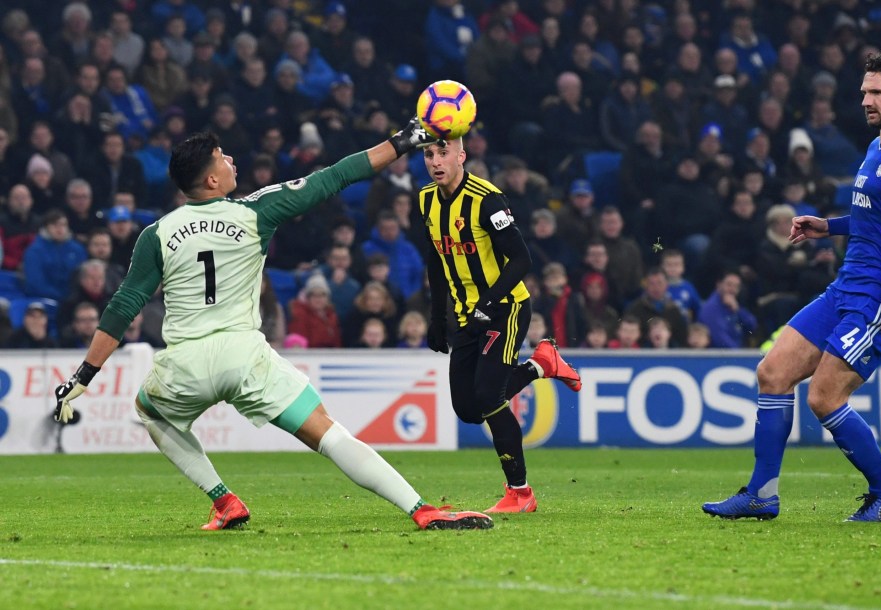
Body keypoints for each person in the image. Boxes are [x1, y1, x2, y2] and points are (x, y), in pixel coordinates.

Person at [53, 121, 495, 532]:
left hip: (185, 364)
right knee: (327, 431)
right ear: (211, 180)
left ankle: (223, 499)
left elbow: (124, 305)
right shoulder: (255, 212)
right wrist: (401, 142)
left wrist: (84, 375)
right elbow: (336, 176)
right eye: (223, 158)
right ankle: (422, 509)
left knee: (150, 411)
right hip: (246, 358)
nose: (231, 162)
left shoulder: (157, 233)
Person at [703, 51, 881, 522]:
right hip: (845, 288)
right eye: (863, 92)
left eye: (876, 92)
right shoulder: (878, 146)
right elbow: (873, 217)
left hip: (878, 301)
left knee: (824, 396)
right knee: (772, 372)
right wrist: (829, 227)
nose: (865, 100)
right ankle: (761, 495)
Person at [416, 136, 582, 514]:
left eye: (443, 153)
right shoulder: (426, 198)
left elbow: (522, 260)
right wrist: (437, 317)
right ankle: (542, 364)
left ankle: (520, 494)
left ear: (461, 156)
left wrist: (487, 303)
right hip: (463, 315)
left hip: (504, 309)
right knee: (468, 410)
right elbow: (435, 258)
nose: (435, 161)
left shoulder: (486, 199)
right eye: (429, 154)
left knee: (489, 398)